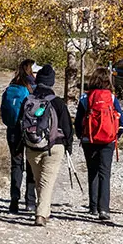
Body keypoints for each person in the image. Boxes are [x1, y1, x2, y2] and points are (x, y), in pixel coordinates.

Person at [21, 64, 73, 226]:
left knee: (38, 181)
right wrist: (68, 147)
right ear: (51, 82)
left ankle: (42, 209)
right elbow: (67, 127)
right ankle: (41, 214)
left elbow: (19, 123)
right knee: (47, 181)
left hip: (31, 146)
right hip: (54, 146)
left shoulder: (28, 100)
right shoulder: (58, 102)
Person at [75, 66, 123, 221]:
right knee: (105, 172)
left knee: (92, 171)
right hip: (108, 140)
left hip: (88, 139)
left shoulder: (85, 99)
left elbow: (77, 122)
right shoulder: (111, 98)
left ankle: (93, 206)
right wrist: (115, 135)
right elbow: (122, 122)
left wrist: (80, 136)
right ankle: (104, 209)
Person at [0, 58, 38, 214]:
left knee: (16, 164)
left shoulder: (12, 86)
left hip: (12, 130)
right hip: (28, 131)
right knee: (30, 165)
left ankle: (14, 200)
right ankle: (30, 201)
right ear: (31, 70)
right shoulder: (31, 88)